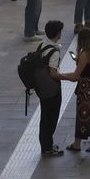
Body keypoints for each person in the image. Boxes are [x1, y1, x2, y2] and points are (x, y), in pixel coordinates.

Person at [34, 20, 76, 157]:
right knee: (51, 118)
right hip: (52, 89)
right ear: (57, 33)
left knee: (45, 116)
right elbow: (53, 74)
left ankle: (46, 144)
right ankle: (47, 147)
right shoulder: (54, 51)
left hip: (42, 87)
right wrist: (69, 77)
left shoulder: (42, 45)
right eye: (60, 31)